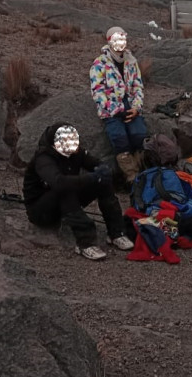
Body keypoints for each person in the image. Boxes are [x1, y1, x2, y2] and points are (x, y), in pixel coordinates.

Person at [23, 122, 134, 260]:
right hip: (41, 211)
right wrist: (92, 177)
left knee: (102, 182)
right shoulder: (44, 158)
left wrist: (104, 170)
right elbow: (59, 183)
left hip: (66, 204)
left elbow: (96, 163)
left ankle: (116, 232)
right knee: (65, 188)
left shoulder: (76, 152)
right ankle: (85, 243)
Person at [90, 26, 147, 185]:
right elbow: (97, 91)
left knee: (139, 134)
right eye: (116, 39)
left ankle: (142, 170)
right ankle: (132, 177)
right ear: (109, 41)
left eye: (123, 39)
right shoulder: (99, 63)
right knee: (119, 137)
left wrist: (136, 107)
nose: (120, 43)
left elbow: (137, 86)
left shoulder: (131, 61)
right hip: (111, 107)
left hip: (129, 103)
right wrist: (116, 110)